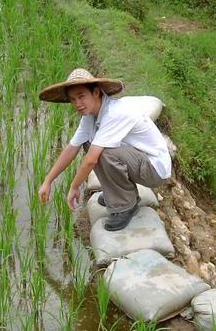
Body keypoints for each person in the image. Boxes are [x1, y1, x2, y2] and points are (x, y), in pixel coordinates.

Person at [37, 68, 172, 231]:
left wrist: (74, 187)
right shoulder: (90, 115)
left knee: (103, 152)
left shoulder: (114, 113)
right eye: (73, 99)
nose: (77, 104)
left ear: (96, 92)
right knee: (90, 143)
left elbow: (91, 160)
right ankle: (118, 195)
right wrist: (48, 181)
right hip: (139, 160)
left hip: (155, 170)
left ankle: (125, 205)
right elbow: (72, 148)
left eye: (81, 96)